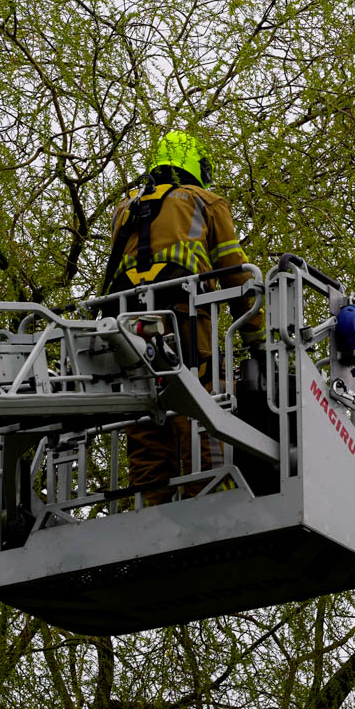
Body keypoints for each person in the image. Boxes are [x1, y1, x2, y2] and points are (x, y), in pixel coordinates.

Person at [103, 130, 264, 505]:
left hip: (128, 324)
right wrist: (257, 337)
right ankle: (212, 498)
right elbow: (235, 272)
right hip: (185, 319)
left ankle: (149, 509)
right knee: (202, 406)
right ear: (198, 166)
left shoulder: (125, 207)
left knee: (143, 415)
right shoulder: (207, 201)